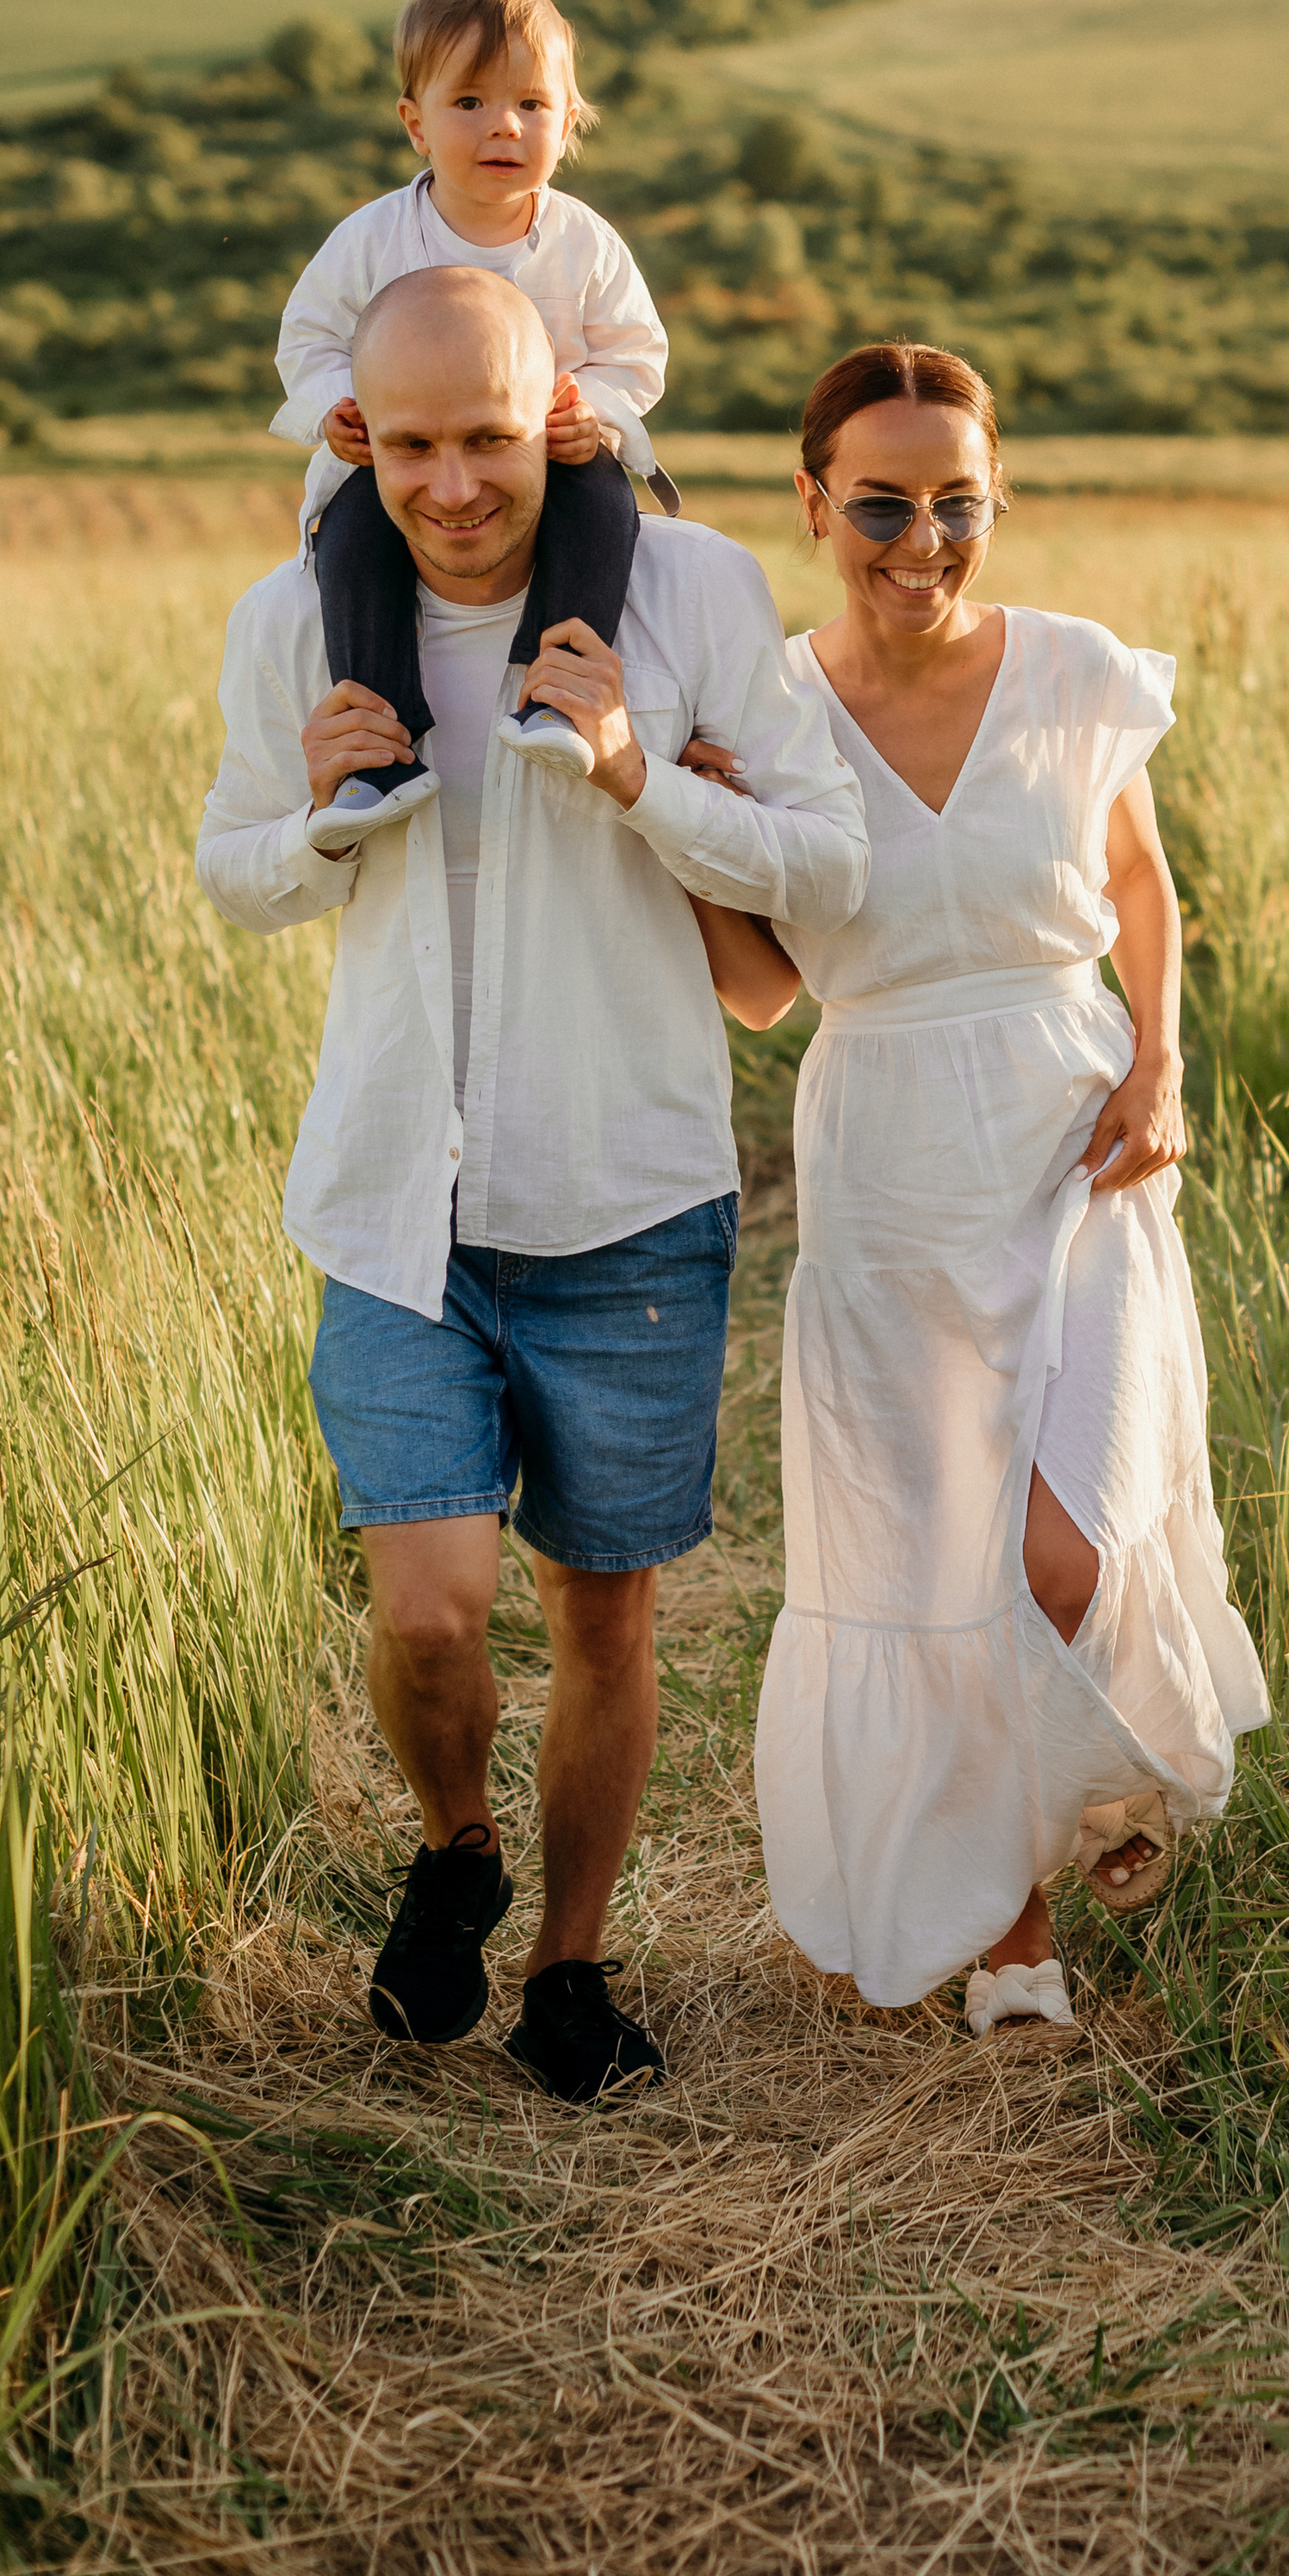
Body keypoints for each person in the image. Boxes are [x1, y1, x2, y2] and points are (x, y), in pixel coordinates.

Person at [196, 264, 869, 2101]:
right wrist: (321, 815)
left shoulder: (690, 589)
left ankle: (569, 1967)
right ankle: (457, 1852)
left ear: (555, 411)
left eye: (489, 437)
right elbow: (234, 866)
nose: (453, 485)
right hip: (392, 1200)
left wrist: (643, 773)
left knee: (603, 1614)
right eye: (410, 445)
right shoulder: (295, 617)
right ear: (362, 436)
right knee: (422, 1608)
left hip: (629, 1200)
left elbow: (826, 854)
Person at [697, 341, 1268, 2040]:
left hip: (1066, 1143)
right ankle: (1009, 1914)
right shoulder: (771, 714)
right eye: (880, 504)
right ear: (814, 506)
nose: (922, 540)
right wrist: (688, 829)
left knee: (1063, 1552)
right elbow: (760, 991)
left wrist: (1161, 1062)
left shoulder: (1078, 673)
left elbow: (1138, 881)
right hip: (883, 1160)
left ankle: (1092, 1777)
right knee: (942, 1549)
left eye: (958, 503)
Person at [270, 0, 676, 852]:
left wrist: (595, 412)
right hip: (400, 458)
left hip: (550, 457)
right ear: (415, 122)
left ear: (569, 124)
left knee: (605, 514)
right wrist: (335, 407)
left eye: (533, 104)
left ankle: (555, 695)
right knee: (351, 547)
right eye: (470, 103)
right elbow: (307, 341)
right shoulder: (374, 238)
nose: (504, 125)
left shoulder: (583, 243)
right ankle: (379, 749)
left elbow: (637, 352)